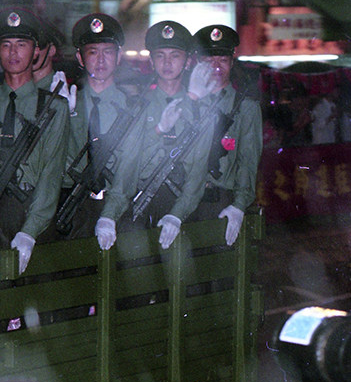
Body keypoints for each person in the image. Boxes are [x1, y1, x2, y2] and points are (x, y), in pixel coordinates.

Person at [94, 20, 216, 251]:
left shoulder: (201, 107)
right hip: (142, 197)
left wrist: (177, 215)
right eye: (160, 56)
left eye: (175, 56)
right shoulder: (138, 106)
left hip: (184, 205)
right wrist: (109, 215)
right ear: (151, 61)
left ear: (188, 61)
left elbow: (198, 171)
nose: (167, 63)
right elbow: (128, 165)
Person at [0, 9, 69, 274]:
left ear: (35, 51)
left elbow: (51, 173)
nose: (13, 53)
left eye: (22, 45)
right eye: (6, 45)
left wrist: (31, 230)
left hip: (30, 211)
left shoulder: (54, 107)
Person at [59, 13, 133, 238]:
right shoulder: (69, 102)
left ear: (118, 57)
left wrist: (109, 215)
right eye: (93, 52)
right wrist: (67, 115)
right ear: (80, 58)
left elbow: (129, 167)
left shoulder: (131, 107)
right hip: (72, 205)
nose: (101, 61)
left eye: (108, 52)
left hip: (116, 207)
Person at [189, 24, 263, 246]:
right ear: (197, 63)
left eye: (222, 58)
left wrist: (239, 205)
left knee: (222, 274)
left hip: (222, 202)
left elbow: (247, 161)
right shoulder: (186, 104)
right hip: (184, 202)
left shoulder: (246, 108)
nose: (216, 65)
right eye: (209, 59)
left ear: (232, 60)